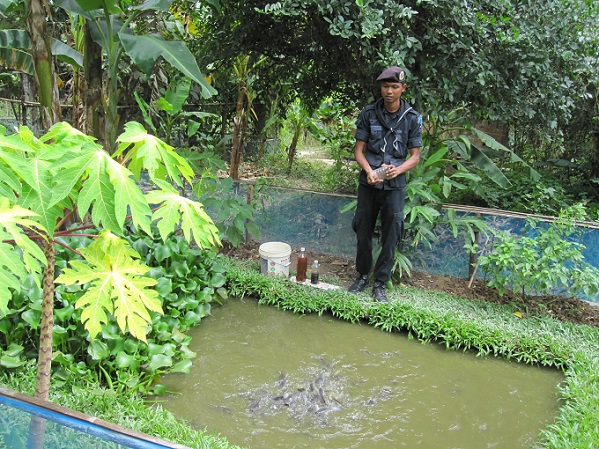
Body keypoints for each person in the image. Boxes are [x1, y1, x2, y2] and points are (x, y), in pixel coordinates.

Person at [348, 66, 423, 302]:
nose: (389, 91)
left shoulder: (412, 117)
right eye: (385, 86)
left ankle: (380, 282)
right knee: (363, 230)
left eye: (394, 87)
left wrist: (397, 170)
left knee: (392, 234)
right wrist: (369, 171)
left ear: (403, 88)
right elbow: (358, 151)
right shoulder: (369, 113)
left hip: (395, 187)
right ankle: (362, 276)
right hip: (368, 184)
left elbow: (415, 156)